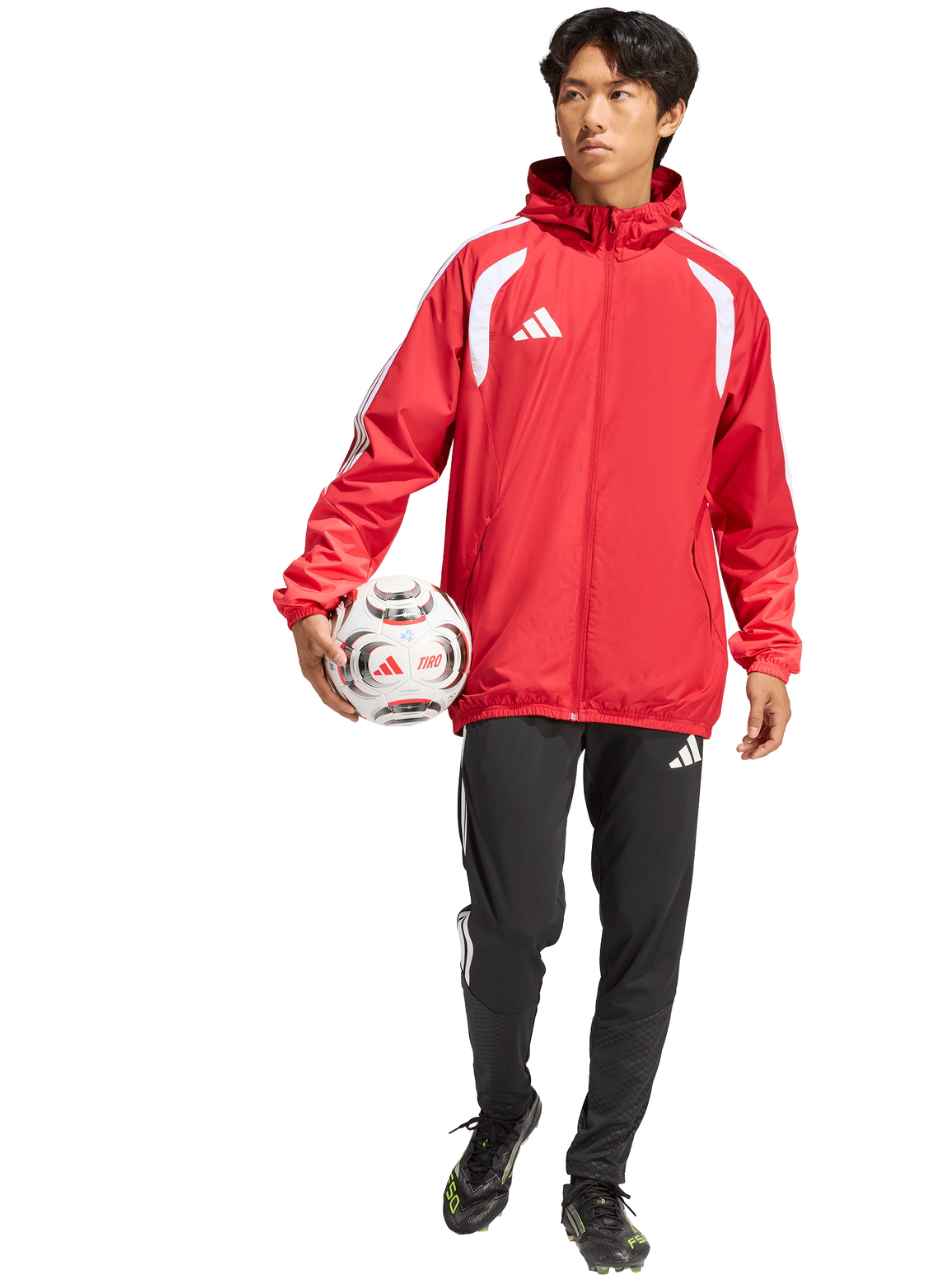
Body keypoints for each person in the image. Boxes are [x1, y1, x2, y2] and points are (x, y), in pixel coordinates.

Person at [272, 9, 800, 1271]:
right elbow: (389, 444)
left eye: (617, 94)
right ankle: (503, 1108)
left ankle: (598, 1174)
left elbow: (754, 494)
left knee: (644, 945)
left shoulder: (722, 298)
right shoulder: (487, 274)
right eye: (571, 90)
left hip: (662, 679)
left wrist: (768, 643)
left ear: (669, 116)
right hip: (506, 663)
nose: (589, 114)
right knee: (513, 923)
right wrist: (317, 586)